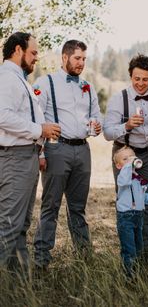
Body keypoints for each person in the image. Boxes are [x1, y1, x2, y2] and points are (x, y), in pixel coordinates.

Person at [33, 40, 102, 269]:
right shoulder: (46, 82)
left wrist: (96, 125)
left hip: (83, 150)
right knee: (50, 205)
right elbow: (37, 118)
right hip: (56, 149)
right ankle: (42, 259)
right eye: (77, 58)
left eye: (84, 59)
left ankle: (84, 257)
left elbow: (96, 116)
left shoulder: (88, 87)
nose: (81, 63)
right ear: (65, 57)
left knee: (78, 207)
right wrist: (41, 152)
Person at [0, 32, 60, 271]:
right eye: (33, 52)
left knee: (21, 223)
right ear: (17, 50)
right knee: (9, 224)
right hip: (15, 158)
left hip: (27, 157)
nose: (36, 58)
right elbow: (3, 116)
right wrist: (40, 129)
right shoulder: (7, 78)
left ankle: (19, 284)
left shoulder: (19, 79)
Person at [103, 54, 148, 260]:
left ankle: (147, 253)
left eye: (145, 79)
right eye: (137, 78)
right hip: (123, 155)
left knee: (147, 203)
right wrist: (126, 126)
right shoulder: (119, 98)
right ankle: (129, 253)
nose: (141, 83)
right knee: (126, 203)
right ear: (130, 76)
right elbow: (107, 133)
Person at [113, 146, 148, 277]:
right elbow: (124, 180)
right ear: (118, 165)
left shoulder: (138, 178)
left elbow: (143, 198)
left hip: (138, 216)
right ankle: (128, 275)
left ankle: (137, 270)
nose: (129, 160)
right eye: (125, 159)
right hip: (125, 217)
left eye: (132, 157)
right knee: (129, 248)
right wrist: (129, 164)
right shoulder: (122, 177)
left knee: (139, 246)